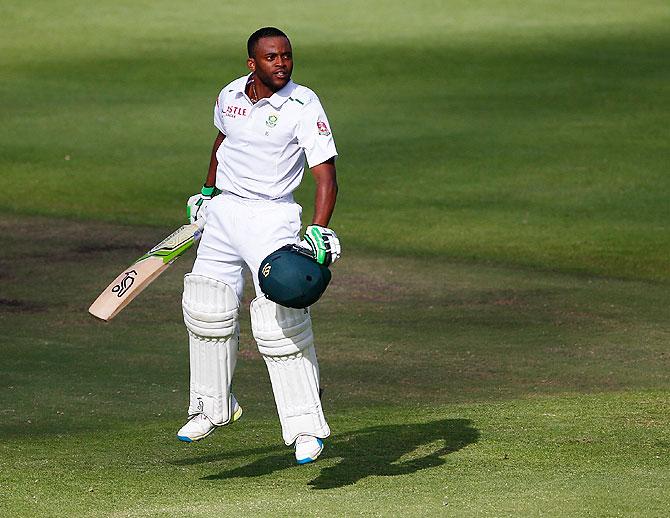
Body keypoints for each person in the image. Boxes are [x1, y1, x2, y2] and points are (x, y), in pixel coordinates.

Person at [177, 27, 340, 465]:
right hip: (225, 213)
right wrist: (207, 193)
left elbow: (325, 174)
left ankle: (306, 426)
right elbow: (221, 142)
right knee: (206, 305)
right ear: (253, 63)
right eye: (272, 57)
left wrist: (319, 229)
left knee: (278, 320)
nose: (282, 63)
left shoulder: (304, 104)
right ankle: (211, 406)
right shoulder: (230, 93)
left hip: (272, 216)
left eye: (287, 56)